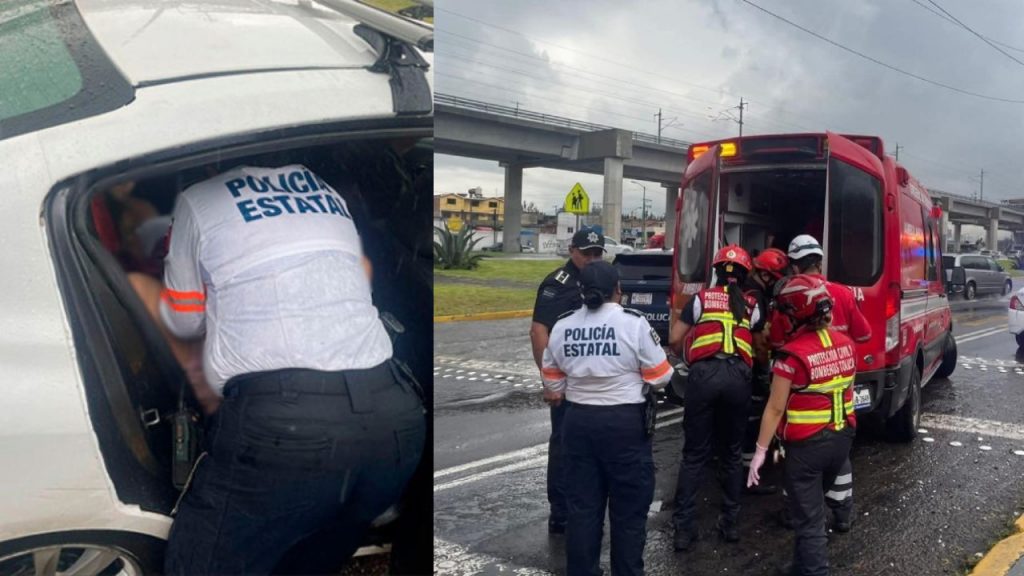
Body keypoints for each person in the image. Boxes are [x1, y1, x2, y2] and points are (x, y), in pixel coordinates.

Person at [159, 163, 426, 575]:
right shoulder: (323, 190)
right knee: (309, 560)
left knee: (202, 563)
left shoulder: (199, 198)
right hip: (394, 417)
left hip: (286, 430)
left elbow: (183, 321)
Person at [541, 260, 673, 576]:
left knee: (582, 511)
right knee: (628, 514)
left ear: (581, 292)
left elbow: (553, 384)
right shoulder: (634, 323)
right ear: (618, 290)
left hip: (577, 423)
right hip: (624, 426)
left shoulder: (563, 325)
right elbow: (660, 377)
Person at [747, 274, 857, 576]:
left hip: (807, 448)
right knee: (808, 507)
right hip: (841, 440)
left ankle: (814, 569)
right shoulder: (846, 344)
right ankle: (799, 566)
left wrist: (759, 452)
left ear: (795, 314)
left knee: (809, 521)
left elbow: (774, 407)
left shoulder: (791, 356)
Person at [775, 234, 869, 532]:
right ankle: (842, 513)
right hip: (841, 380)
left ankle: (795, 512)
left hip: (802, 382)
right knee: (838, 447)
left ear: (793, 265)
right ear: (819, 261)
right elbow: (864, 334)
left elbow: (777, 340)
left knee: (800, 457)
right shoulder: (842, 293)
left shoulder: (791, 295)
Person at [670, 245, 761, 551]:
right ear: (745, 275)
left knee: (695, 454)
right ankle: (731, 524)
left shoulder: (700, 299)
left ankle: (684, 530)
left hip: (704, 377)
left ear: (716, 271)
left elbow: (673, 339)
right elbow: (759, 342)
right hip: (738, 379)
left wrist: (690, 358)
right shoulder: (751, 305)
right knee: (733, 454)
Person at [530, 228, 606, 534]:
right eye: (585, 253)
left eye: (596, 253)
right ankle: (560, 512)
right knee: (563, 445)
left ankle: (588, 507)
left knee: (595, 445)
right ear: (572, 250)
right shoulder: (558, 284)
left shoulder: (602, 279)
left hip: (594, 381)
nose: (590, 259)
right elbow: (539, 332)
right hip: (566, 381)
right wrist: (550, 381)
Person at [741, 247, 790, 494]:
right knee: (755, 414)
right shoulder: (756, 295)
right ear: (768, 275)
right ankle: (751, 473)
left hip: (730, 363)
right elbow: (759, 340)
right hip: (748, 363)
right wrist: (764, 369)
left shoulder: (740, 286)